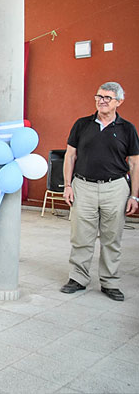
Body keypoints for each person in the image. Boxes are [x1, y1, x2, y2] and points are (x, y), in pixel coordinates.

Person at [60, 82, 139, 302]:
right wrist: (67, 185)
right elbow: (70, 156)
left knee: (111, 238)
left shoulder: (127, 129)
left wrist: (134, 195)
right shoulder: (82, 124)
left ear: (119, 102)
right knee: (80, 237)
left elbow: (134, 164)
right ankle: (78, 278)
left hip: (115, 188)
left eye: (107, 98)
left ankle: (110, 282)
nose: (102, 101)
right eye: (99, 96)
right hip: (83, 186)